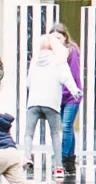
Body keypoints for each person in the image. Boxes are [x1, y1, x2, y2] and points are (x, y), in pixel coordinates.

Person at [24, 27, 75, 166]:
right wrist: (75, 91)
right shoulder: (58, 61)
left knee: (29, 133)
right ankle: (58, 166)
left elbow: (28, 82)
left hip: (33, 102)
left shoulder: (34, 61)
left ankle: (27, 157)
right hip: (51, 103)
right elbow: (67, 78)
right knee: (55, 135)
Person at [57, 24, 83, 178]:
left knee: (66, 126)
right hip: (58, 95)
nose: (56, 41)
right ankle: (70, 159)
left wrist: (72, 91)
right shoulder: (53, 53)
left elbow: (73, 74)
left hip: (71, 95)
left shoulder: (71, 51)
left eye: (58, 37)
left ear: (65, 37)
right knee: (67, 127)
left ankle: (65, 158)